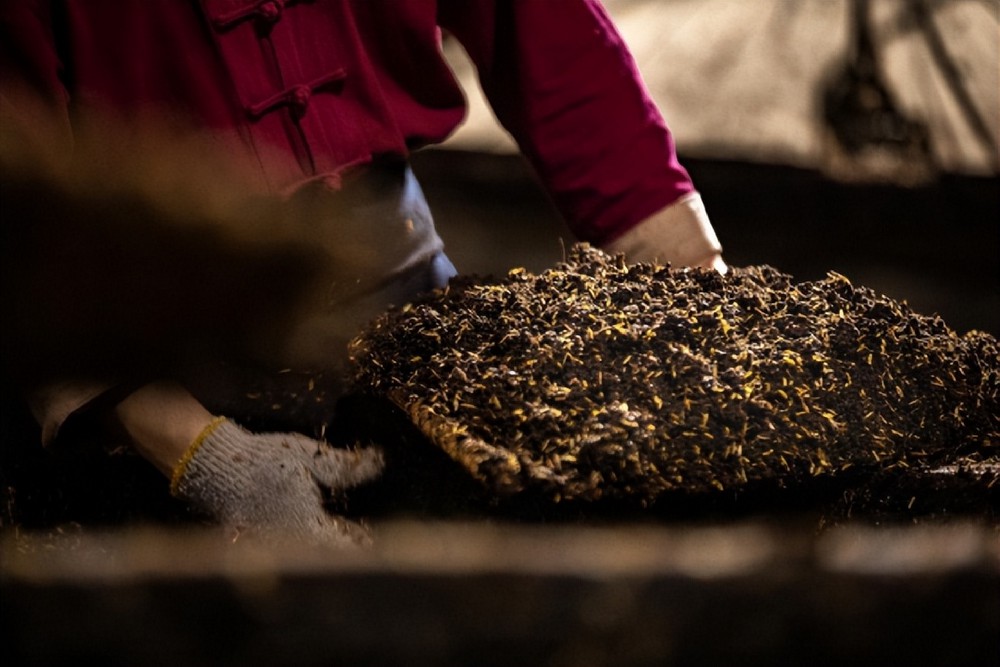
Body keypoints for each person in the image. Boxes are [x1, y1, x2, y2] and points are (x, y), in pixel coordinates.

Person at [0, 0, 726, 545]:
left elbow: (552, 41)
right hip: (138, 347)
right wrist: (204, 455)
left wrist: (709, 294)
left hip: (409, 304)